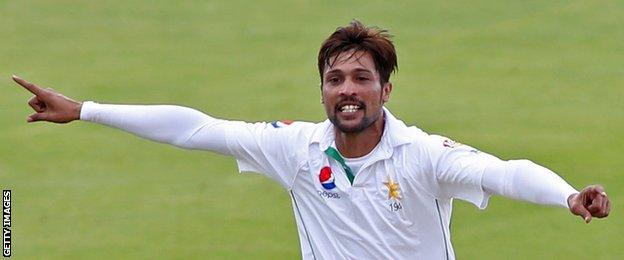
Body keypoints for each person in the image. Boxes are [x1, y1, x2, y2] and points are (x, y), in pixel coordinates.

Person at [13, 20, 610, 260]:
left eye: (361, 78)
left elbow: (503, 173)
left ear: (385, 91)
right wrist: (86, 110)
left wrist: (565, 198)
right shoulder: (296, 148)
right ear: (322, 90)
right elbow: (195, 128)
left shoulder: (424, 154)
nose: (347, 90)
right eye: (334, 79)